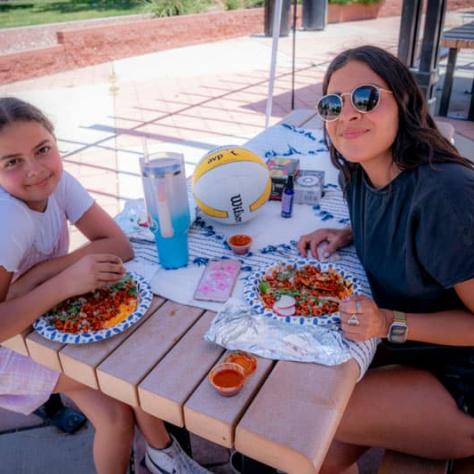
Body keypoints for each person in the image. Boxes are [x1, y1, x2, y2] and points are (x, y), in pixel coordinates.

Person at [0, 97, 209, 474]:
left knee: (115, 416)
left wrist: (41, 275)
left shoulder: (56, 183)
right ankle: (164, 455)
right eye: (11, 162)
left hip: (46, 316)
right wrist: (62, 283)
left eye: (42, 149)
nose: (35, 170)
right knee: (131, 367)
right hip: (10, 346)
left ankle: (162, 456)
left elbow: (118, 244)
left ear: (54, 143)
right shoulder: (8, 219)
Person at [297, 46, 474, 473]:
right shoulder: (359, 174)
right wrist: (348, 232)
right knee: (306, 456)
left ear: (404, 100)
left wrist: (387, 323)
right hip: (408, 351)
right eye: (332, 105)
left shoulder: (446, 196)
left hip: (461, 375)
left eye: (365, 98)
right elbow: (397, 218)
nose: (347, 114)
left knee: (311, 414)